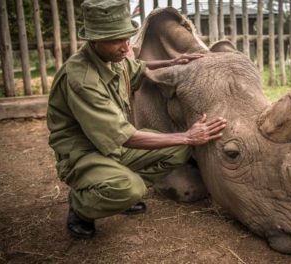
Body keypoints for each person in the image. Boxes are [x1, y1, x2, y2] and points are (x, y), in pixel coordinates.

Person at [46, 0, 226, 239]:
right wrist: (186, 135)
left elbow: (136, 67)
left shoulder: (112, 58)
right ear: (94, 40)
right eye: (116, 39)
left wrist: (170, 62)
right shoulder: (82, 80)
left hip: (113, 146)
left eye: (126, 37)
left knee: (180, 151)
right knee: (131, 188)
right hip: (83, 152)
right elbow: (126, 137)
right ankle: (82, 204)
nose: (125, 46)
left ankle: (115, 191)